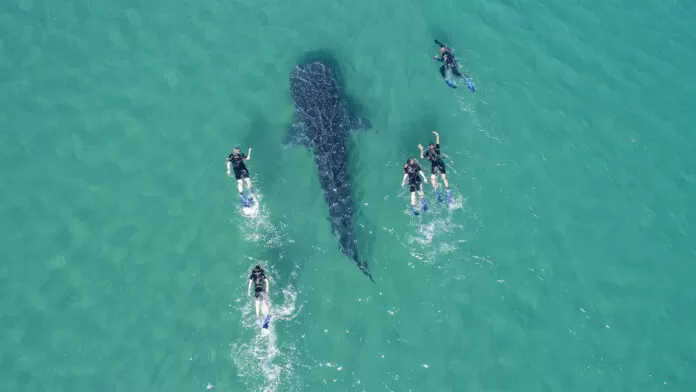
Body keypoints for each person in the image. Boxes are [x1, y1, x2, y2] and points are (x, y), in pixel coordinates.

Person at [419, 131, 452, 203]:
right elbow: (437, 141)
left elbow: (421, 157)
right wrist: (437, 135)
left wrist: (421, 149)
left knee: (432, 178)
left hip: (434, 166)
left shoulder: (427, 152)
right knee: (444, 177)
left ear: (429, 147)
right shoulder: (437, 148)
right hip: (440, 163)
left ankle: (435, 189)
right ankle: (448, 190)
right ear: (433, 146)